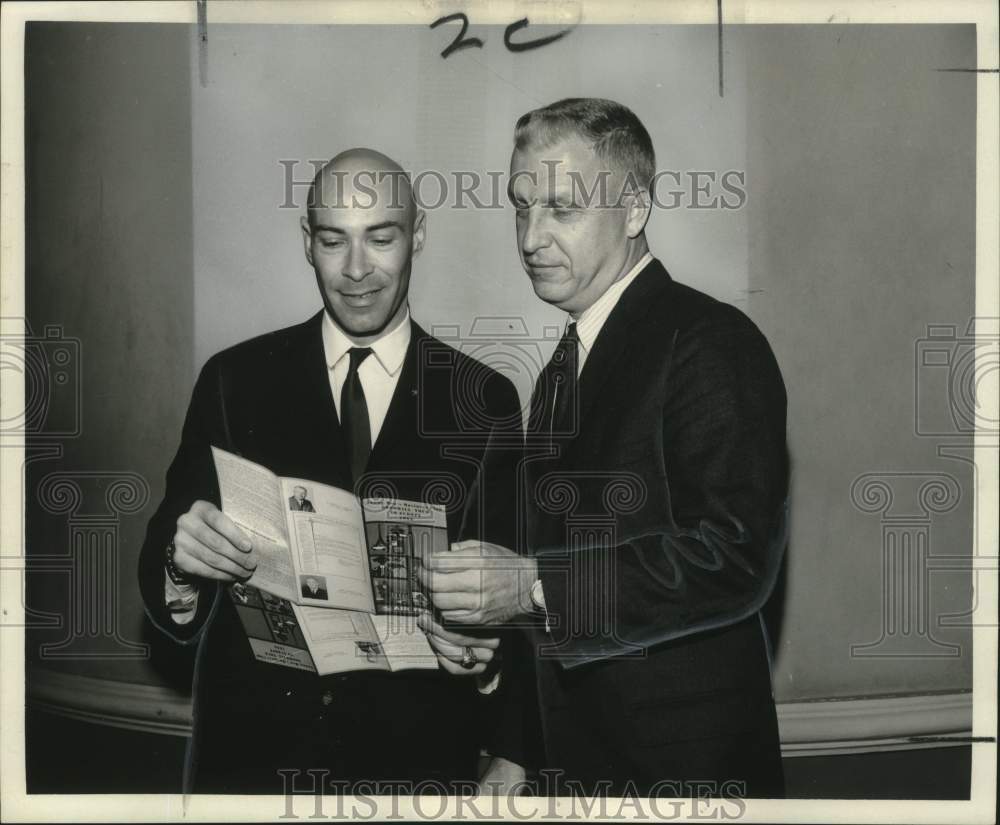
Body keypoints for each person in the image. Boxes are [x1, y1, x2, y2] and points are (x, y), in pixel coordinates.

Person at [421, 98, 789, 797]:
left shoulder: (711, 341)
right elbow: (562, 574)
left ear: (635, 210)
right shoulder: (562, 368)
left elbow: (734, 556)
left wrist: (527, 585)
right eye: (520, 206)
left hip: (682, 777)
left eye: (562, 208)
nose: (530, 236)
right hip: (575, 769)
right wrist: (518, 747)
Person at [138, 149, 523, 794]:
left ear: (418, 236)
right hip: (254, 763)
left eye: (381, 238)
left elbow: (514, 602)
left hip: (413, 766)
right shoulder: (234, 381)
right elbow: (164, 564)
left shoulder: (484, 399)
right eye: (332, 240)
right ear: (307, 243)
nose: (356, 270)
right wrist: (181, 565)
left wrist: (487, 660)